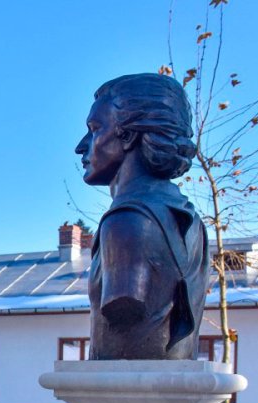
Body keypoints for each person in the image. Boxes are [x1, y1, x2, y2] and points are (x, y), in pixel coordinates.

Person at [77, 73, 207, 360]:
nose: (81, 146)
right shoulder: (185, 217)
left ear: (128, 135)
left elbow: (124, 308)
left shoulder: (127, 223)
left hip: (125, 391)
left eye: (95, 128)